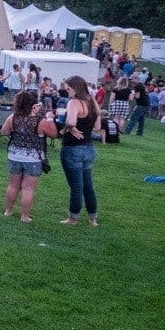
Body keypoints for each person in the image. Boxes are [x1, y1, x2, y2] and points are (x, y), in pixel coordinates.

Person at [0, 89, 57, 222]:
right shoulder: (40, 121)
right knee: (28, 188)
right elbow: (54, 134)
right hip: (33, 158)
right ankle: (24, 216)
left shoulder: (12, 117)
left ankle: (8, 211)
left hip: (14, 155)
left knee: (13, 185)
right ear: (34, 105)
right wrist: (49, 117)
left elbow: (4, 132)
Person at [59, 75, 100, 226]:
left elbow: (70, 121)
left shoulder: (74, 102)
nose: (66, 91)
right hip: (88, 147)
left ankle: (73, 218)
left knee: (76, 186)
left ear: (75, 88)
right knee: (88, 185)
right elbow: (97, 126)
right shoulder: (92, 101)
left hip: (72, 148)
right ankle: (92, 219)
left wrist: (71, 127)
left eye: (68, 88)